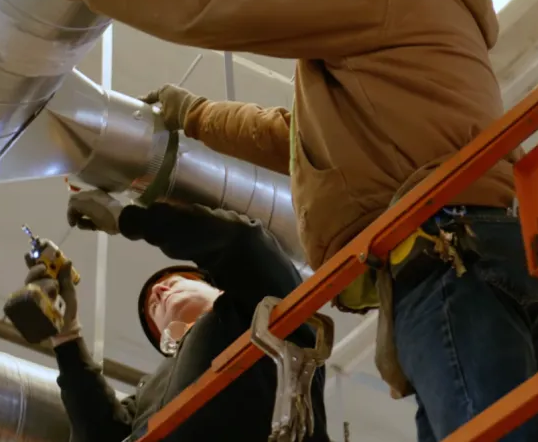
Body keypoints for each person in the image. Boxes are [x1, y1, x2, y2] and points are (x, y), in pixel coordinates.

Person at [0, 0, 538, 441]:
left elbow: (216, 7)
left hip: (446, 257)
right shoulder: (415, 16)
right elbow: (295, 137)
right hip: (457, 258)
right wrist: (193, 114)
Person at [31, 189, 329, 442]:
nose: (158, 292)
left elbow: (242, 243)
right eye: (153, 308)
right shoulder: (149, 396)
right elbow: (100, 434)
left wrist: (132, 220)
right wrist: (67, 337)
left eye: (171, 283)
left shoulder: (268, 310)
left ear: (213, 285)